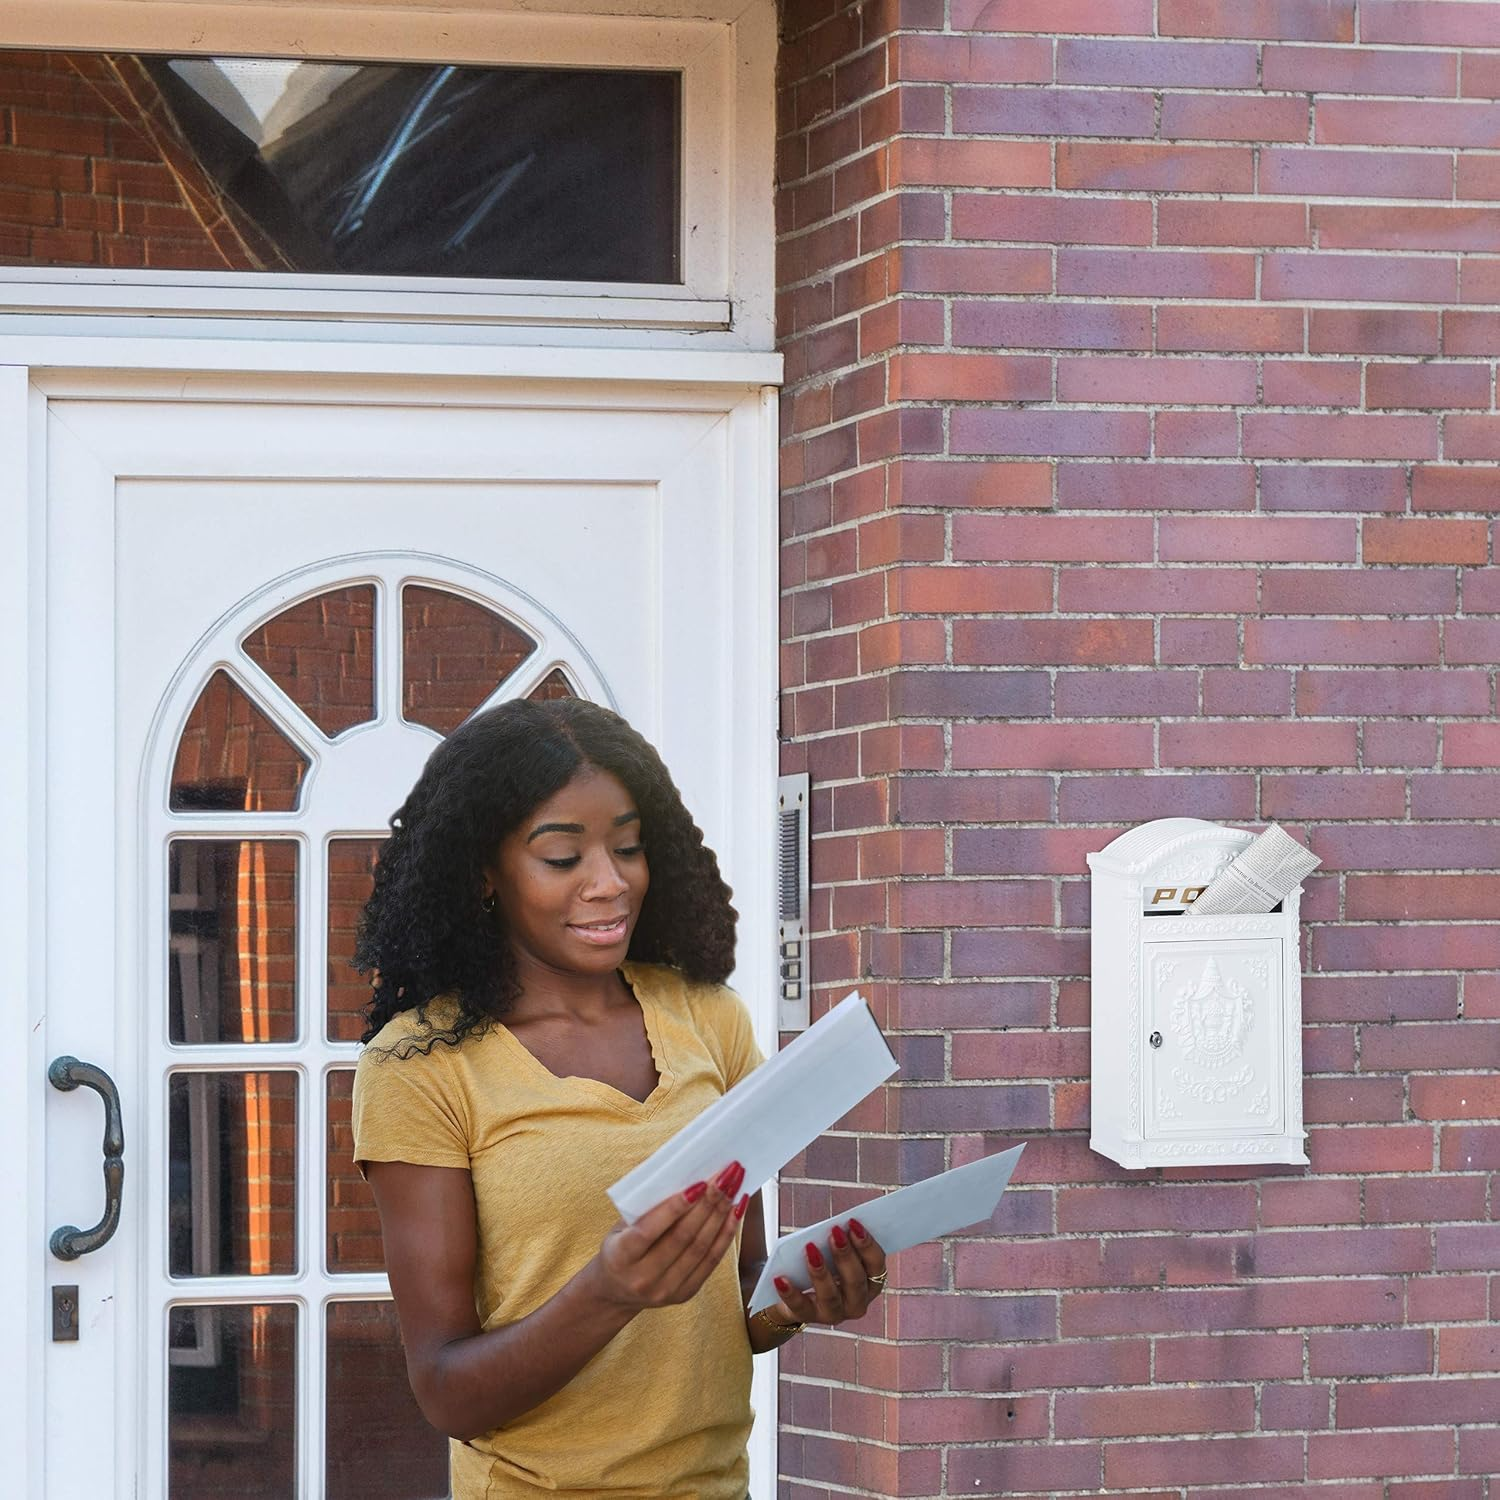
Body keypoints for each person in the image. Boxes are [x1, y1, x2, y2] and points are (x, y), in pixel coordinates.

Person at [351, 697, 888, 1499]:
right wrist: (606, 1294)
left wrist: (795, 1300)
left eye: (629, 848)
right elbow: (446, 1389)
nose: (610, 883)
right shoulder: (422, 1067)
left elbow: (733, 1298)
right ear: (485, 875)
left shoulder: (708, 1020)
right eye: (563, 858)